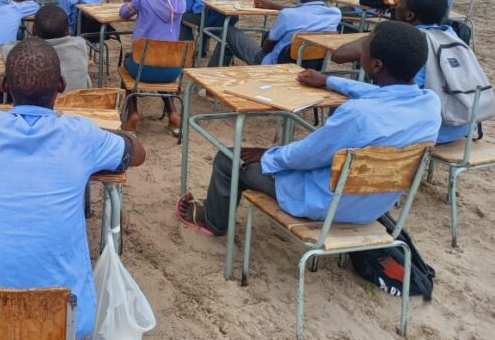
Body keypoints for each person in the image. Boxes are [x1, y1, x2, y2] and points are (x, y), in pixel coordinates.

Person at [0, 37, 145, 340]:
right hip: (60, 330)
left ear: (4, 84)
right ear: (61, 85)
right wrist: (103, 135)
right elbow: (137, 153)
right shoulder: (81, 136)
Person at [176, 20, 441, 236]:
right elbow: (379, 93)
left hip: (325, 203)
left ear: (376, 65)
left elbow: (307, 156)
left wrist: (267, 154)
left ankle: (212, 222)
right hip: (370, 206)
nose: (361, 51)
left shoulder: (358, 115)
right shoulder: (429, 105)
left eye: (365, 48)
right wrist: (331, 82)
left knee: (229, 158)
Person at [332, 0, 474, 145]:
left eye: (399, 3)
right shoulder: (450, 33)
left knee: (343, 109)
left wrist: (371, 37)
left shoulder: (407, 41)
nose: (394, 5)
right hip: (461, 125)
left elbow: (338, 55)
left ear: (409, 15)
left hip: (429, 129)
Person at [119, 0, 187, 133]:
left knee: (126, 63)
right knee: (160, 62)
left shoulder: (142, 0)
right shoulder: (180, 1)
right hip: (173, 69)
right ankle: (172, 113)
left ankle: (133, 112)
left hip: (143, 68)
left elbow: (123, 12)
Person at [221, 0, 341, 66]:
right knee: (232, 44)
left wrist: (264, 51)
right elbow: (307, 12)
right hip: (311, 67)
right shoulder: (335, 14)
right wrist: (273, 6)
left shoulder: (287, 15)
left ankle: (209, 84)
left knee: (229, 32)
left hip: (276, 65)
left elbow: (269, 44)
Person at [3, 5, 90, 91]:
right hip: (75, 102)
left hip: (40, 102)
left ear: (33, 31)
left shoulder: (24, 52)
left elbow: (7, 47)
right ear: (68, 31)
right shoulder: (80, 45)